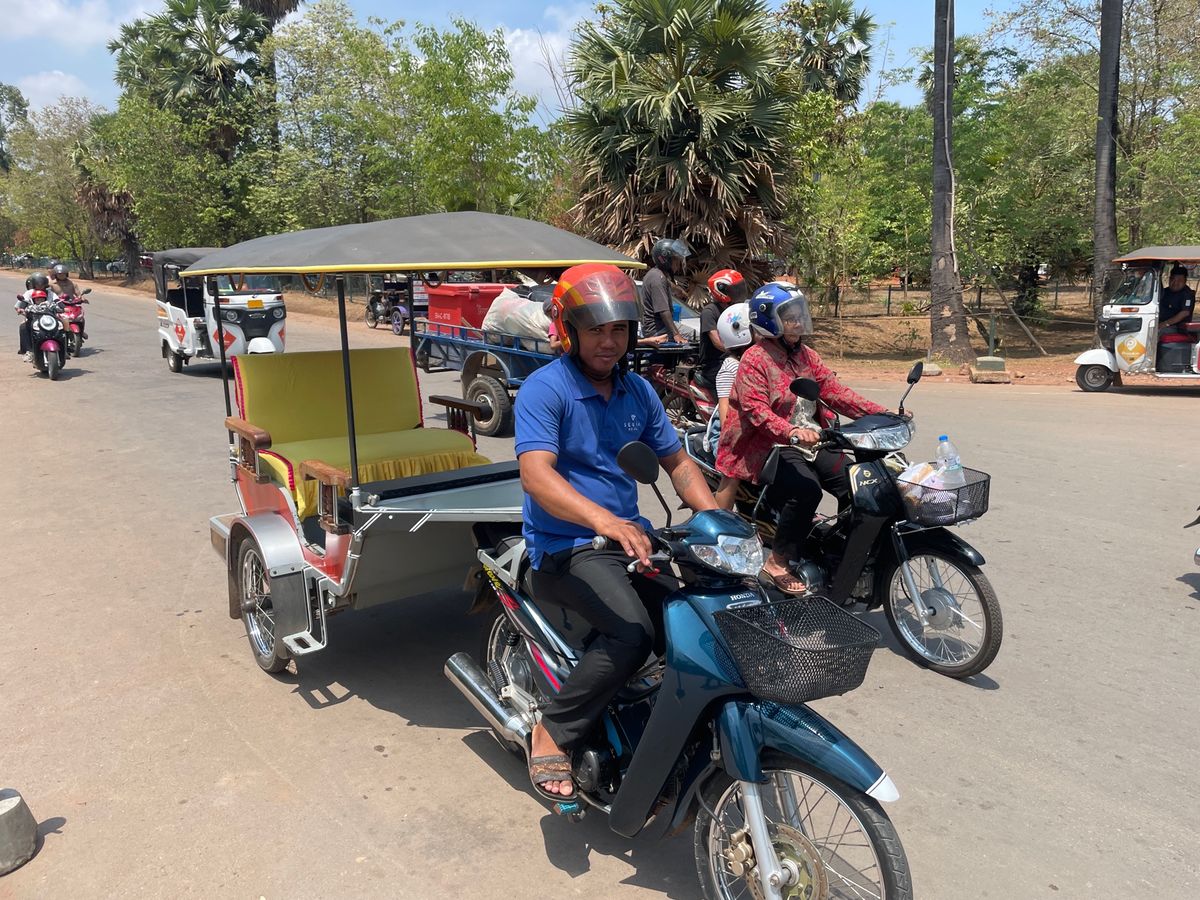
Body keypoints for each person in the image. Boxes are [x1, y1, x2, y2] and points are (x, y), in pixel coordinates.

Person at [514, 262, 719, 800]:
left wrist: (717, 522)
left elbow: (677, 462)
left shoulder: (638, 393)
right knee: (634, 634)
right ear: (569, 329)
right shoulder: (545, 389)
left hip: (630, 542)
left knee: (697, 621)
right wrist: (604, 520)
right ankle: (553, 730)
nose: (609, 342)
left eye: (618, 330)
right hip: (567, 549)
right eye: (597, 330)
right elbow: (536, 475)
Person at [715, 282, 886, 595]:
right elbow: (756, 411)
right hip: (767, 443)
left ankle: (841, 551)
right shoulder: (754, 359)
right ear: (769, 320)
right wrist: (791, 431)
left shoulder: (807, 356)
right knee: (805, 490)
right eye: (789, 315)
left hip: (811, 438)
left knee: (860, 483)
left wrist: (881, 413)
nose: (797, 320)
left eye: (798, 313)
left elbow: (835, 392)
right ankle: (777, 562)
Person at [704, 301, 754, 509]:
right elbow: (727, 421)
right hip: (727, 435)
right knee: (734, 469)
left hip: (751, 428)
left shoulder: (758, 361)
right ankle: (722, 521)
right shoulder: (730, 367)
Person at [696, 268, 749, 389]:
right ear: (721, 290)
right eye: (735, 290)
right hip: (714, 364)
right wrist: (736, 354)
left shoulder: (736, 310)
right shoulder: (709, 312)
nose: (738, 293)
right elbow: (717, 342)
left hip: (732, 359)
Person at [640, 237, 689, 343]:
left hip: (656, 327)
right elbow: (663, 311)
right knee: (696, 334)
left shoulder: (656, 274)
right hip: (657, 330)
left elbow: (669, 285)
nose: (678, 264)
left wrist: (679, 290)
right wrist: (676, 334)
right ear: (666, 260)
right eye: (676, 260)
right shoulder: (658, 279)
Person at [16, 273, 58, 359]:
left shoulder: (51, 293)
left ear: (46, 284)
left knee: (62, 324)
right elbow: (22, 303)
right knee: (23, 327)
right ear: (33, 284)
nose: (40, 285)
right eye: (38, 283)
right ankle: (28, 351)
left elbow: (58, 301)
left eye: (42, 283)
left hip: (50, 316)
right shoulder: (29, 293)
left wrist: (64, 308)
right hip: (33, 317)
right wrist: (20, 309)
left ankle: (65, 349)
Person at [1159, 264, 1195, 335]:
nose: (1175, 283)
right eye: (1172, 279)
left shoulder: (1187, 294)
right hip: (1159, 322)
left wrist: (1165, 324)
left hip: (1177, 327)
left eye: (1179, 280)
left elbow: (1185, 313)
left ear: (1185, 281)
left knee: (1155, 333)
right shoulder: (1165, 291)